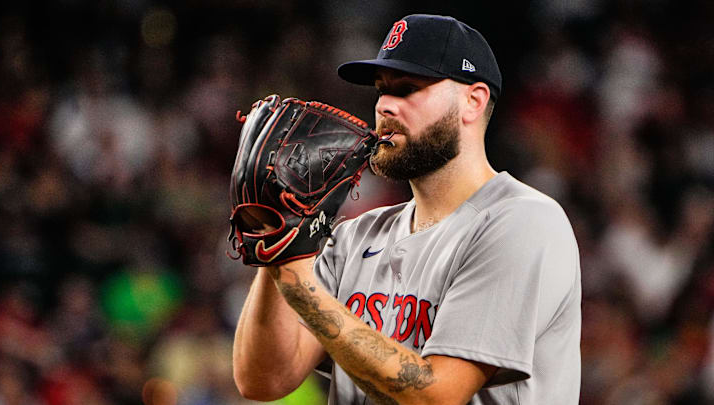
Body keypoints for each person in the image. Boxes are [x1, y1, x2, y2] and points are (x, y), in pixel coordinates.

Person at [232, 14, 581, 405]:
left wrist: (299, 277)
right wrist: (279, 243)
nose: (385, 106)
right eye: (382, 90)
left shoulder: (523, 221)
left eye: (408, 88)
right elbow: (262, 380)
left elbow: (436, 396)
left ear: (473, 100)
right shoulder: (354, 237)